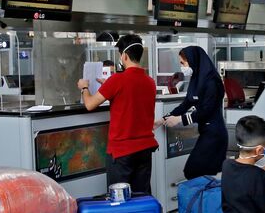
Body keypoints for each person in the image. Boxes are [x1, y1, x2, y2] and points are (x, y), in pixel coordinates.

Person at [77, 34, 158, 193]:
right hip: (145, 150)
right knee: (141, 196)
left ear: (124, 55)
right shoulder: (150, 82)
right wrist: (108, 85)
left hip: (122, 152)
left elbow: (90, 104)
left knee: (120, 200)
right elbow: (131, 96)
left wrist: (84, 87)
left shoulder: (117, 80)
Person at [154, 46, 228, 180]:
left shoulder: (212, 81)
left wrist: (180, 120)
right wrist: (163, 119)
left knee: (193, 171)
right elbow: (186, 104)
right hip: (206, 132)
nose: (182, 67)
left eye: (183, 63)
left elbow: (206, 110)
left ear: (193, 60)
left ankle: (206, 199)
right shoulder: (197, 79)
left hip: (215, 134)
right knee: (200, 173)